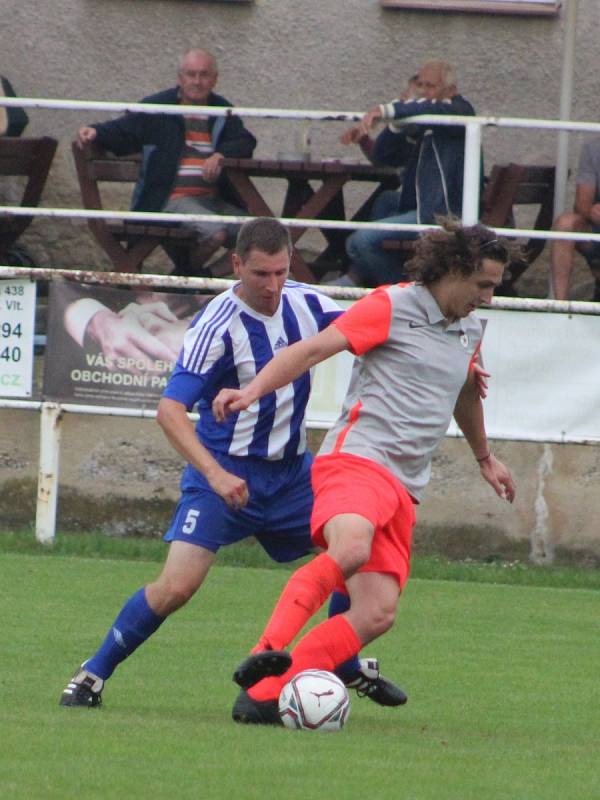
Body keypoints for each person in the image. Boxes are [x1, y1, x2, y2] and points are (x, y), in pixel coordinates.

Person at [59, 217, 407, 710]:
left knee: (354, 552)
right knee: (177, 586)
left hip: (292, 476)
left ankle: (343, 663)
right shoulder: (215, 325)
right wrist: (215, 474)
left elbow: (385, 316)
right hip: (223, 474)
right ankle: (93, 674)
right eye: (261, 274)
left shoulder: (308, 304)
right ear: (237, 264)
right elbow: (170, 411)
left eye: (282, 272)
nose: (273, 287)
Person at [212, 221, 516, 725]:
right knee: (349, 549)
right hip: (357, 461)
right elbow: (310, 351)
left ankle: (267, 695)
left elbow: (464, 390)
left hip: (403, 486)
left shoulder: (469, 328)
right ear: (456, 270)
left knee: (377, 612)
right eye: (483, 284)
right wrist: (250, 393)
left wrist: (484, 457)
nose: (488, 296)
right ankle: (266, 651)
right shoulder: (391, 306)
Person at [76, 48, 256, 276]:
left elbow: (246, 142)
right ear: (180, 78)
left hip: (212, 200)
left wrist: (220, 155)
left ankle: (200, 278)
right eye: (191, 74)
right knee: (216, 232)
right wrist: (95, 132)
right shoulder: (160, 107)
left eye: (204, 74)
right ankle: (188, 279)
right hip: (169, 199)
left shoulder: (222, 110)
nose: (197, 81)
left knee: (259, 236)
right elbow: (123, 130)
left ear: (215, 79)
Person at [336, 61, 475, 289]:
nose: (423, 92)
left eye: (429, 86)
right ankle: (356, 277)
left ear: (450, 89)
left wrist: (388, 111)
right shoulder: (424, 117)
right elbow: (383, 156)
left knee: (360, 242)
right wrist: (397, 124)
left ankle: (399, 292)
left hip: (442, 213)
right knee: (385, 200)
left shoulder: (458, 111)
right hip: (420, 205)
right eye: (420, 85)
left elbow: (431, 110)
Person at [549, 137, 600, 301]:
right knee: (565, 224)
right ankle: (560, 307)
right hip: (596, 230)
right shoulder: (594, 148)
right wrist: (591, 210)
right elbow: (581, 203)